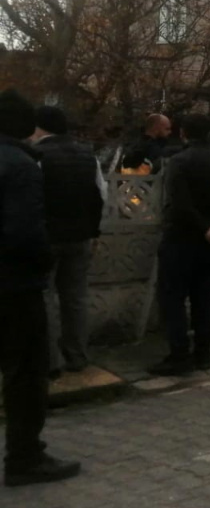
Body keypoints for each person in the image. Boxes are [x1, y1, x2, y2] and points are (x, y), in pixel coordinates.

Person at [0, 90, 80, 487]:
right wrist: (43, 259)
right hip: (15, 285)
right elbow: (23, 231)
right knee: (26, 373)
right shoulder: (22, 164)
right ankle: (24, 456)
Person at [148, 114, 210, 377]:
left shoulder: (179, 162)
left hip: (182, 238)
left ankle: (179, 354)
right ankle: (203, 354)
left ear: (184, 134)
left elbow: (180, 202)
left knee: (172, 298)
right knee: (205, 298)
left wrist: (204, 228)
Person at [31, 106, 105, 377]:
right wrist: (94, 232)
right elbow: (100, 195)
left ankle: (51, 361)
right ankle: (77, 355)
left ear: (40, 128)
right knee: (76, 298)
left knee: (45, 299)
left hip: (48, 237)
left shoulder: (37, 156)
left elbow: (33, 199)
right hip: (81, 237)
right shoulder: (89, 156)